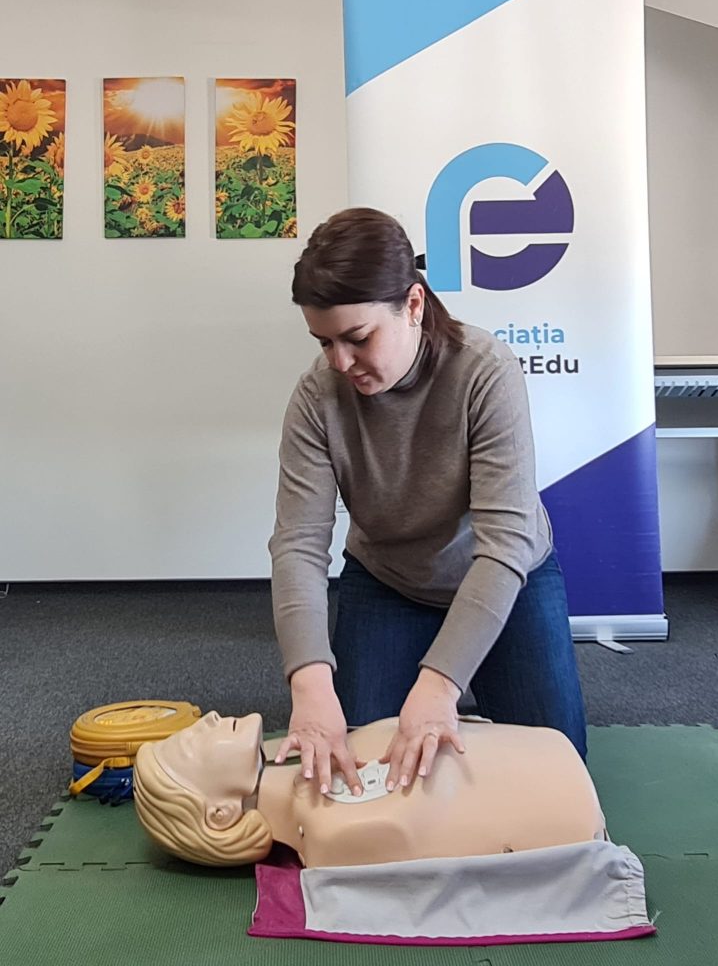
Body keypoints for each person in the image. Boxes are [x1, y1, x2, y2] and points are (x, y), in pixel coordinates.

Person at [269, 207, 586, 800]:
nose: (340, 362)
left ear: (413, 304)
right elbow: (298, 546)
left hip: (504, 578)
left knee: (559, 778)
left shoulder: (485, 370)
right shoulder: (317, 396)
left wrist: (439, 687)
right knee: (360, 780)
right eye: (324, 342)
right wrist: (310, 687)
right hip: (388, 581)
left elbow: (505, 546)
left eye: (357, 338)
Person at [134, 711, 604, 868]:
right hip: (569, 806)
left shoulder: (330, 802)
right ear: (220, 814)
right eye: (192, 743)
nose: (209, 718)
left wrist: (441, 686)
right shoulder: (331, 832)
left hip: (555, 769)